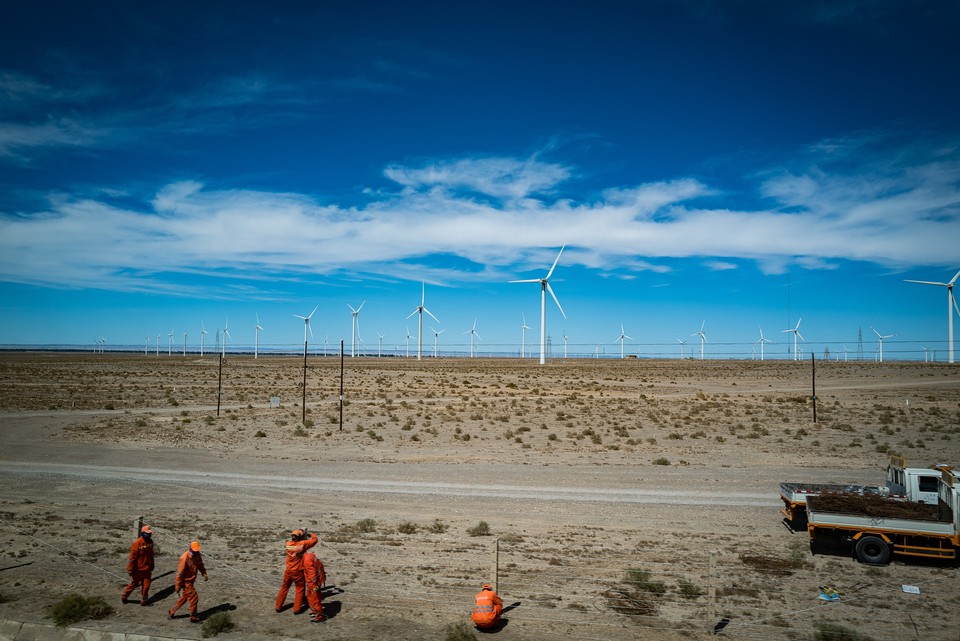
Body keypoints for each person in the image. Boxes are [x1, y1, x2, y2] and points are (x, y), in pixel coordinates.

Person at [275, 528, 318, 614]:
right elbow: (314, 541)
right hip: (298, 572)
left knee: (284, 587)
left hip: (288, 571)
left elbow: (297, 545)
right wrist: (312, 535)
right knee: (299, 589)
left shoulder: (288, 544)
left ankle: (278, 607)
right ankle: (297, 609)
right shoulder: (302, 544)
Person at [169, 541, 208, 623]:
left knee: (184, 598)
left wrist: (204, 573)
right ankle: (193, 617)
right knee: (194, 598)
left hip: (191, 580)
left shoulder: (197, 554)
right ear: (190, 549)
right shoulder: (184, 558)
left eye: (197, 550)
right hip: (186, 582)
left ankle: (172, 611)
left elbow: (200, 564)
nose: (196, 551)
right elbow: (179, 573)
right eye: (195, 550)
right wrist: (178, 585)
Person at [121, 525, 155, 605]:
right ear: (142, 533)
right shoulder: (137, 543)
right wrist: (130, 569)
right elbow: (132, 557)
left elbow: (151, 555)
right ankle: (124, 596)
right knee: (133, 584)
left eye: (150, 533)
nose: (149, 534)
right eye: (147, 533)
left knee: (146, 585)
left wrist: (152, 564)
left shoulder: (150, 542)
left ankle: (144, 600)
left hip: (147, 569)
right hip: (138, 569)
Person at [303, 550, 326, 622]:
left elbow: (312, 574)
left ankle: (319, 616)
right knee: (311, 596)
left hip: (314, 583)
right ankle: (315, 611)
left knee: (315, 598)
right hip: (317, 579)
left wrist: (313, 585)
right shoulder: (310, 555)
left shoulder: (306, 561)